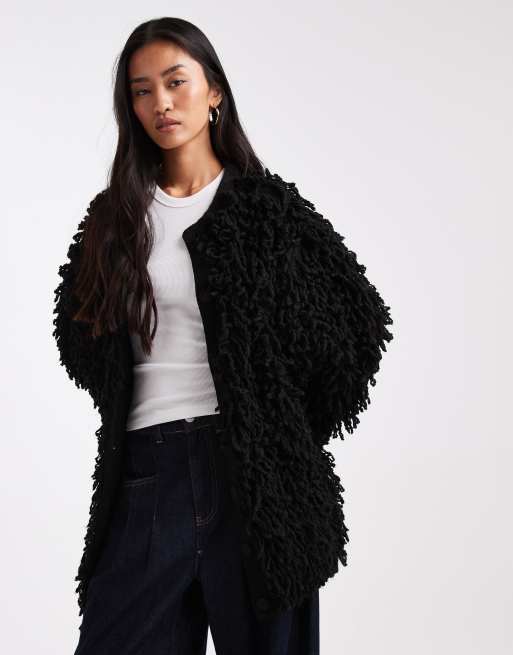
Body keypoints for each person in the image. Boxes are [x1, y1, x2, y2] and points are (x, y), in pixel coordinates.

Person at [52, 17, 394, 655]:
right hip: (146, 479)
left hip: (255, 487)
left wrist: (276, 425)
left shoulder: (267, 210)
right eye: (142, 90)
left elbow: (359, 329)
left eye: (176, 82)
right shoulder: (113, 221)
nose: (161, 102)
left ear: (214, 92)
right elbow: (79, 340)